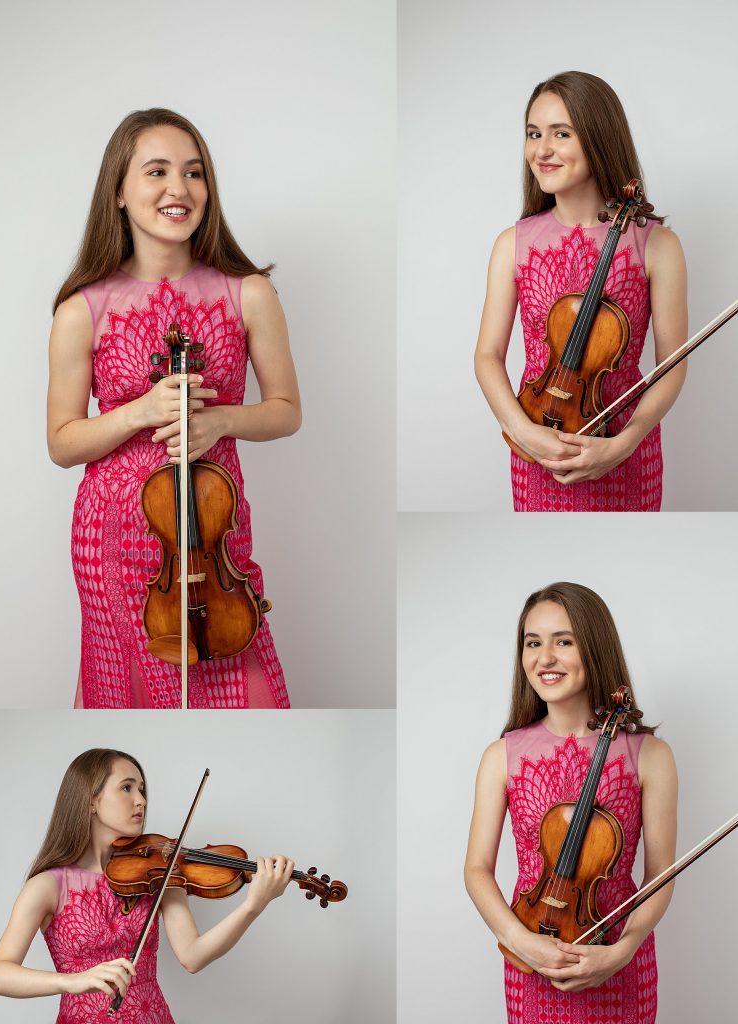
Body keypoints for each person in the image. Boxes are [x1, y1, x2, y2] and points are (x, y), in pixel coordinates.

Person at [47, 108, 301, 708]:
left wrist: (221, 421)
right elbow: (61, 442)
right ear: (118, 191)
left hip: (212, 531)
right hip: (114, 540)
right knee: (129, 698)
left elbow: (287, 409)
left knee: (249, 692)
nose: (177, 189)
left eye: (193, 173)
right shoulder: (82, 309)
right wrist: (137, 412)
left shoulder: (249, 292)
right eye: (156, 171)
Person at [464, 583, 677, 1023]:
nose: (544, 658)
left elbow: (660, 875)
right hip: (532, 958)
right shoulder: (500, 755)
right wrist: (520, 941)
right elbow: (476, 869)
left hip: (616, 958)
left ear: (595, 647)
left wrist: (621, 951)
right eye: (532, 643)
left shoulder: (651, 755)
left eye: (563, 641)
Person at [474, 72, 687, 511]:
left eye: (561, 133)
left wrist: (623, 444)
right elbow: (487, 356)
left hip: (622, 448)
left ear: (598, 137)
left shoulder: (658, 245)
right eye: (534, 134)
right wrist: (523, 432)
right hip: (536, 442)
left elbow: (671, 367)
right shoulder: (510, 244)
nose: (541, 150)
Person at [0, 749, 294, 1022]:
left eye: (142, 789)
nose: (141, 801)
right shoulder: (48, 886)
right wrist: (72, 981)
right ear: (91, 801)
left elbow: (193, 956)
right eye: (127, 788)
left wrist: (254, 906)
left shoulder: (160, 872)